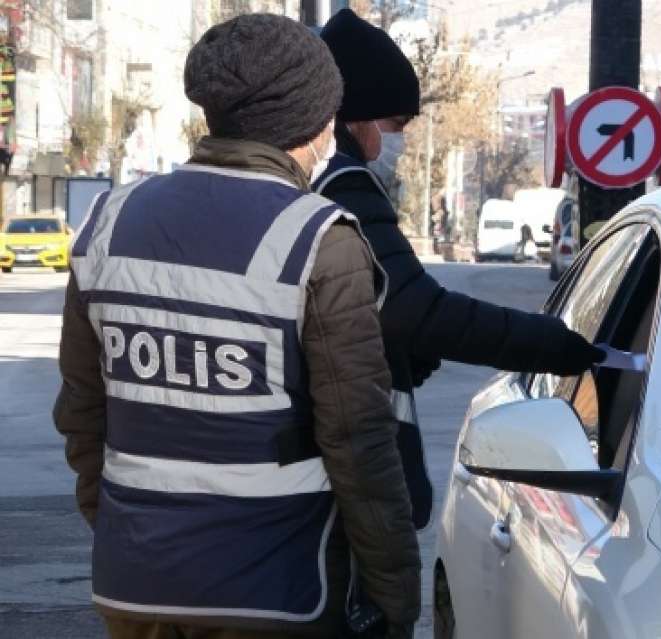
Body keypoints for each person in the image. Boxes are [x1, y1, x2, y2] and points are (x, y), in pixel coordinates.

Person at [54, 14, 418, 639]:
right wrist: (395, 596)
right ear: (318, 121)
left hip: (136, 587)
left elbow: (84, 414)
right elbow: (358, 442)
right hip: (276, 591)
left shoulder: (107, 222)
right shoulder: (318, 240)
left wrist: (123, 532)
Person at [316, 9, 603, 528]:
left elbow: (367, 312)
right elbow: (415, 310)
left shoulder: (325, 183)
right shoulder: (344, 188)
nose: (399, 142)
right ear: (354, 119)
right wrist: (555, 345)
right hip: (346, 488)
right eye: (396, 125)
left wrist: (401, 353)